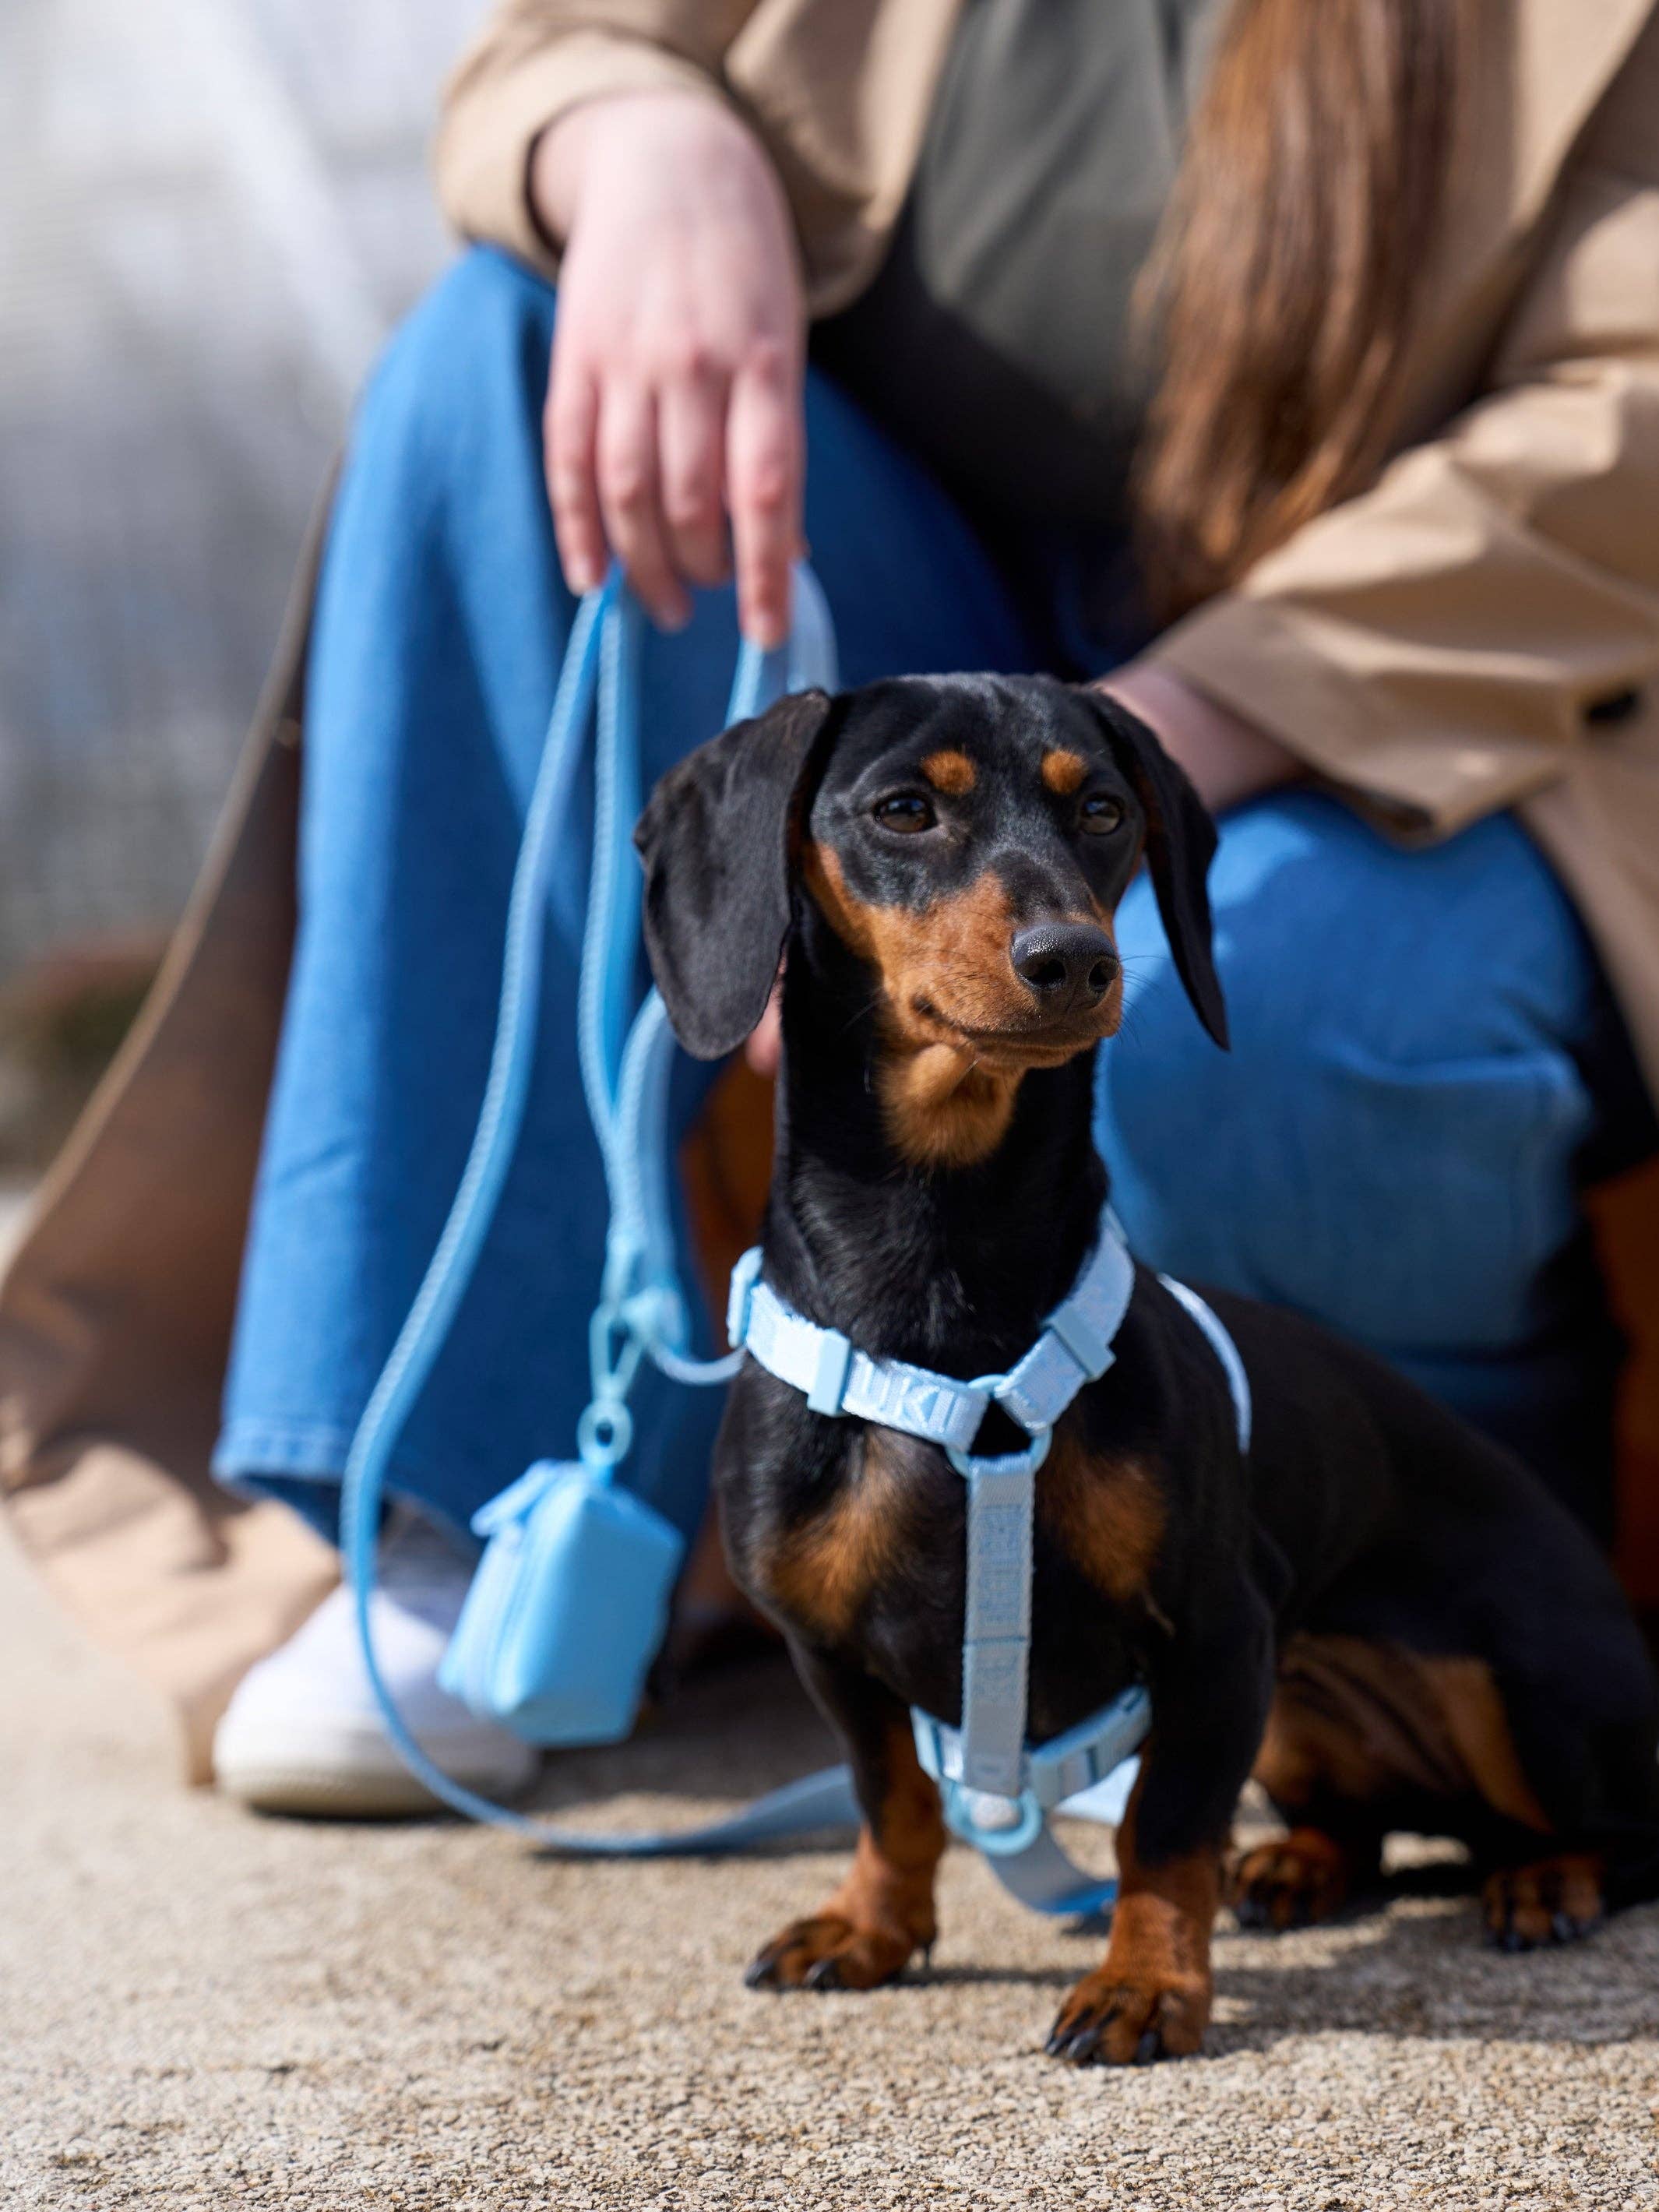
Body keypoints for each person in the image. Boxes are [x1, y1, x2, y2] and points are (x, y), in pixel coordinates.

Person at [4, 0, 1658, 1812]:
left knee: (1253, 1013)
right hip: (889, 581)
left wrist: (1145, 750)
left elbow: (1628, 408)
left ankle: (1349, 1613)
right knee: (497, 349)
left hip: (1436, 673)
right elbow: (555, 45)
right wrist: (635, 142)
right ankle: (471, 1501)